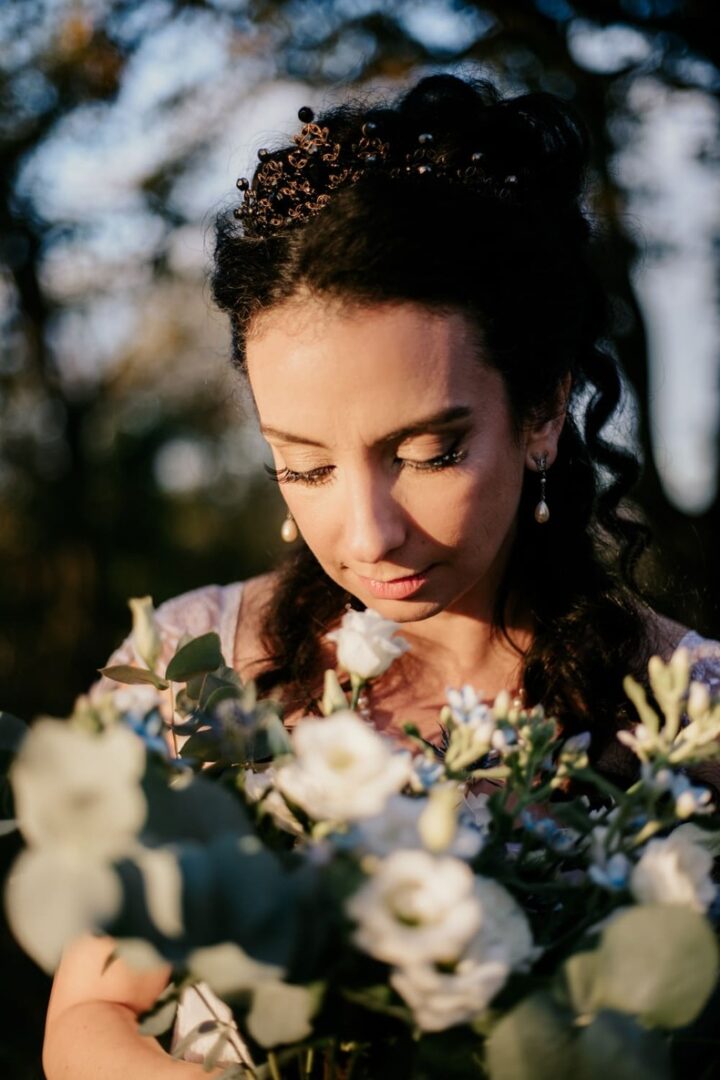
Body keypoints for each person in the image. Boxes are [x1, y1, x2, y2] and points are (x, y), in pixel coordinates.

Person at [42, 73, 720, 1078]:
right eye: (306, 464)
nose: (368, 534)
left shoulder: (695, 718)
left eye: (429, 452)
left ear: (540, 411)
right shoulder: (189, 675)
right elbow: (87, 1020)